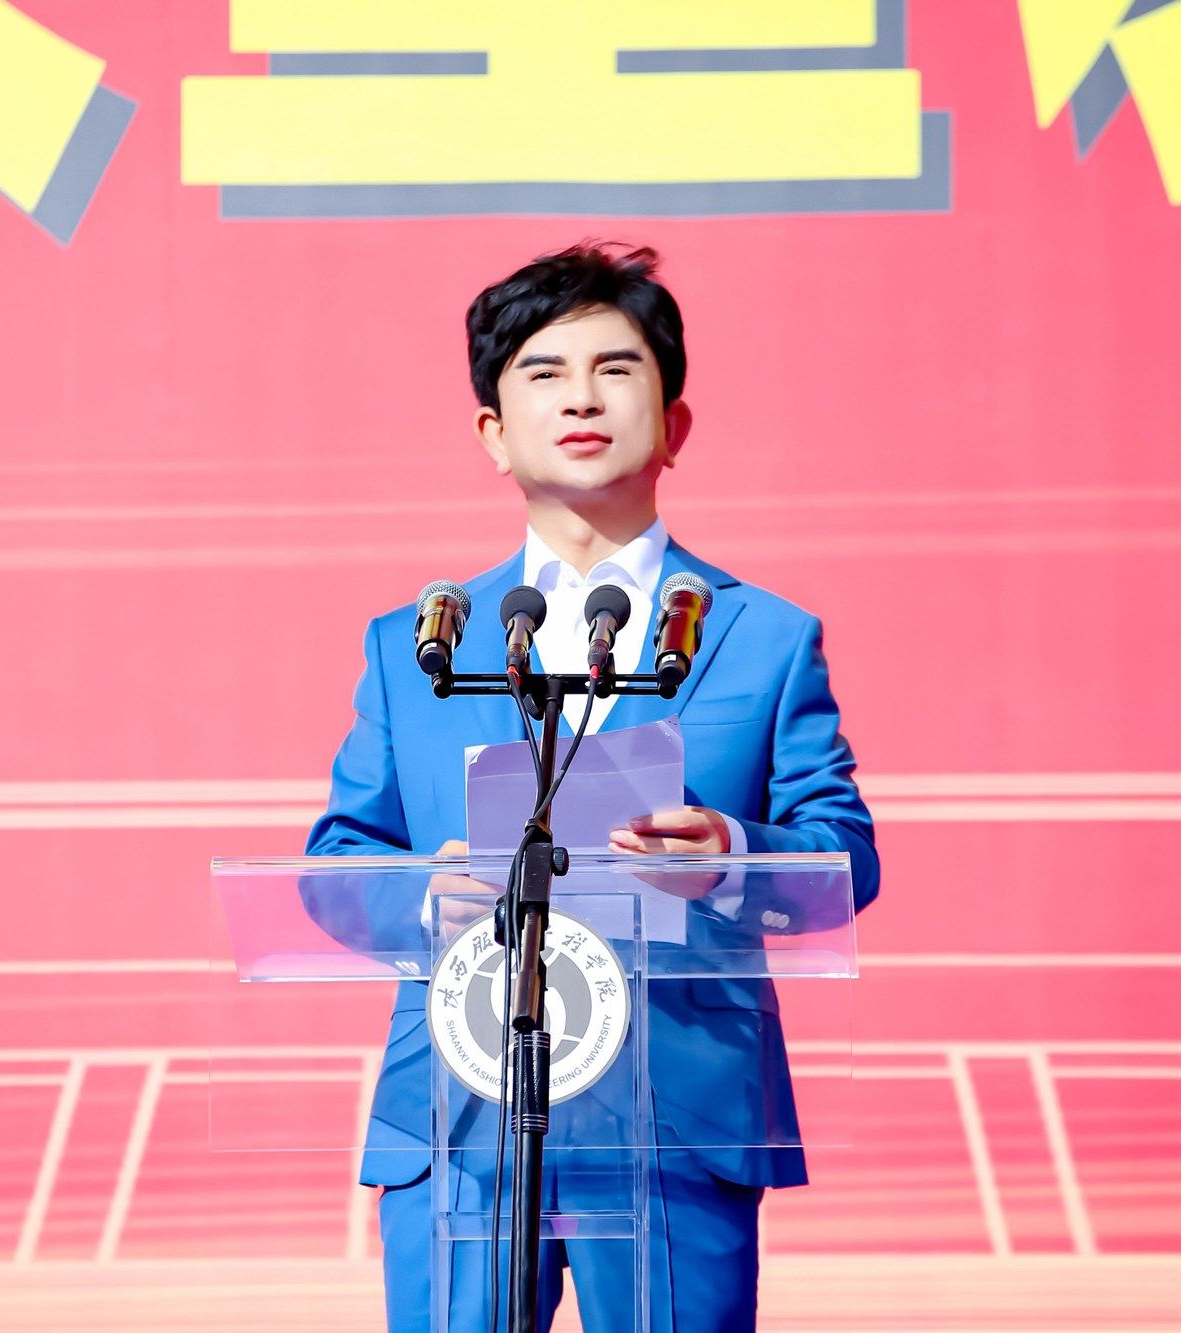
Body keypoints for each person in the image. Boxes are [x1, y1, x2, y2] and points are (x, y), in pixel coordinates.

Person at [306, 243, 879, 1332]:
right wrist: (422, 893)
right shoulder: (415, 648)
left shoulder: (764, 639)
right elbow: (335, 863)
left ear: (675, 424)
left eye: (616, 369)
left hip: (677, 1110)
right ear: (493, 433)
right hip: (461, 1114)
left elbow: (844, 858)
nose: (580, 397)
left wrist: (730, 854)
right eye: (544, 372)